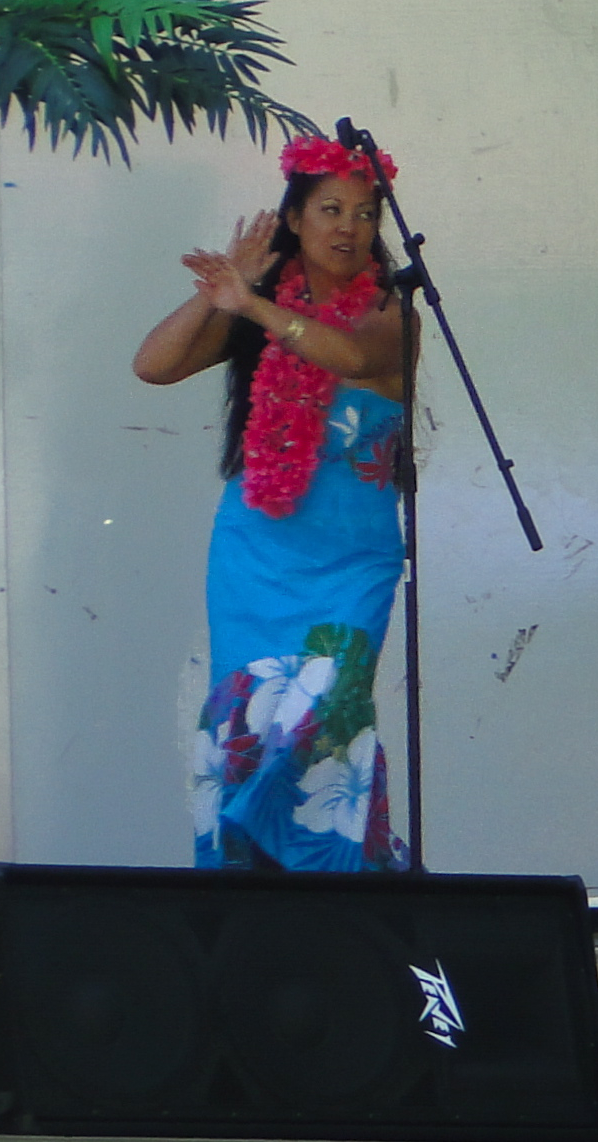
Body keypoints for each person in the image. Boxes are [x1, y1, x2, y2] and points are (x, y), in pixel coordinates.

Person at [135, 135, 414, 872]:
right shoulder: (259, 313)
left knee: (326, 715)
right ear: (294, 219)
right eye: (330, 209)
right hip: (255, 552)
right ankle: (245, 884)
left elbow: (352, 357)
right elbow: (153, 366)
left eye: (365, 212)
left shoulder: (390, 312)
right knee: (252, 721)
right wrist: (221, 294)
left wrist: (252, 303)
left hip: (352, 560)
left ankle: (338, 885)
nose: (349, 227)